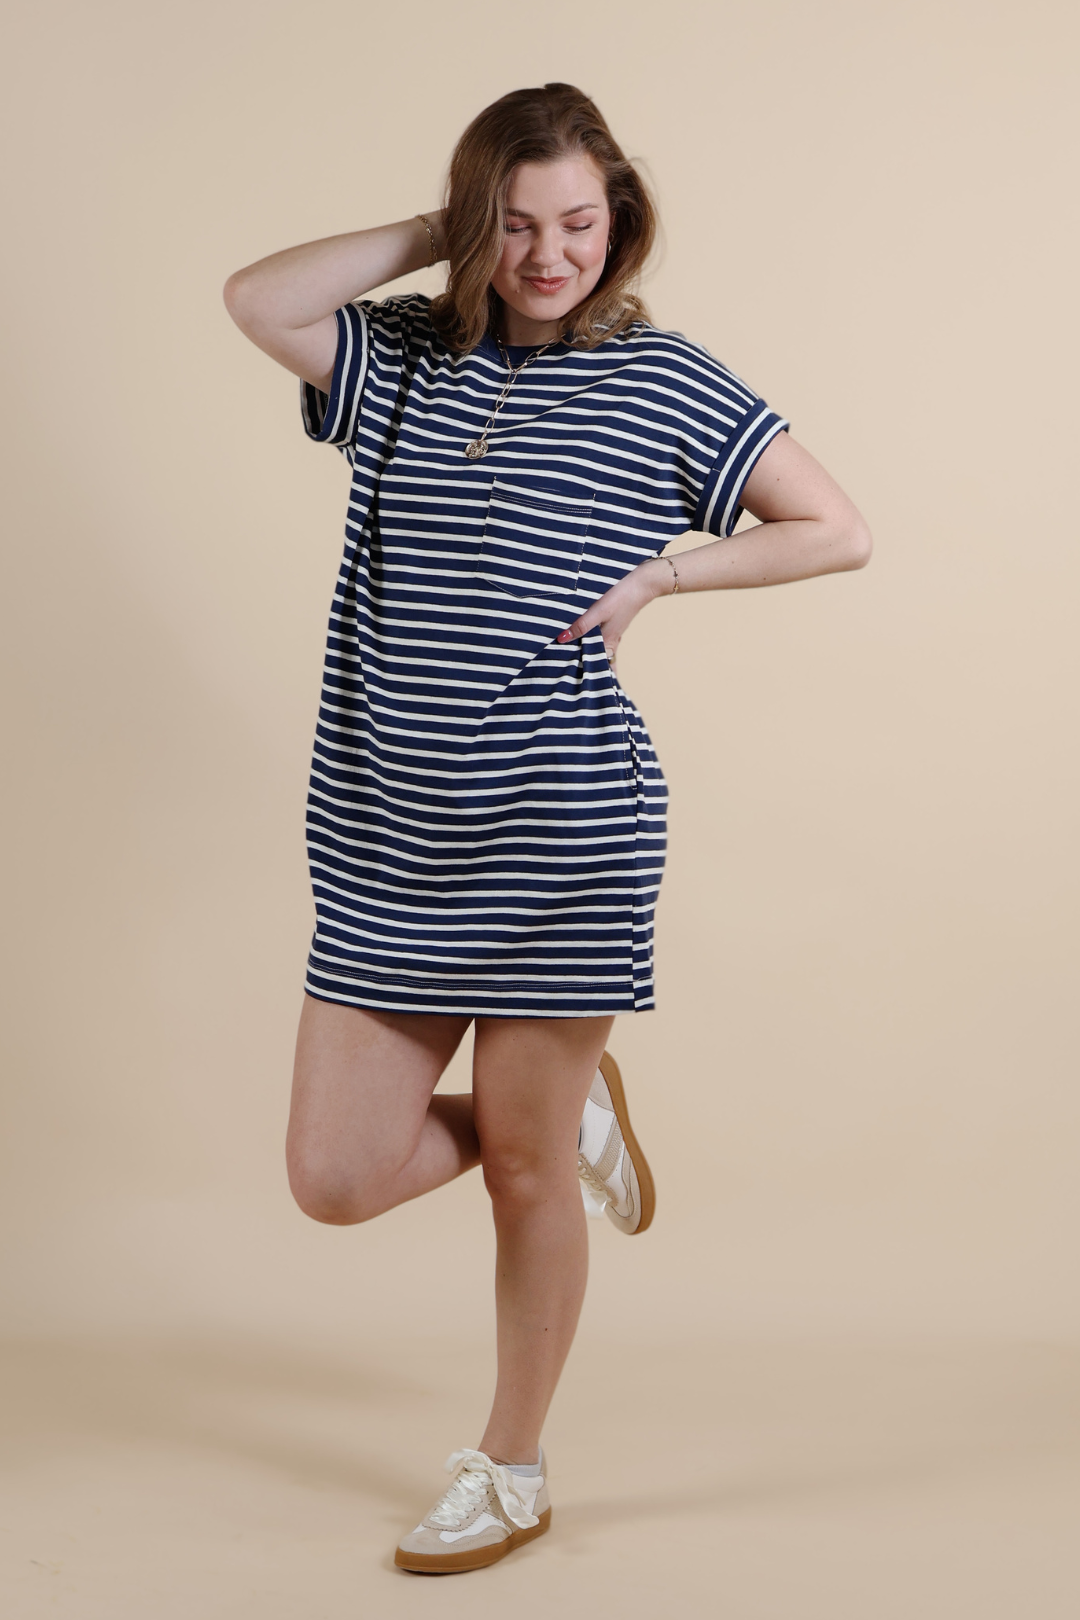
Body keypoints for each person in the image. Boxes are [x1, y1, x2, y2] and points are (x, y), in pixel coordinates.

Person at [223, 81, 871, 1574]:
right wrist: (438, 231)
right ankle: (572, 1107)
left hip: (563, 829)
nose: (548, 254)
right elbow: (258, 299)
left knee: (522, 1179)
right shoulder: (401, 358)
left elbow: (836, 527)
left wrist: (668, 575)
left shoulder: (663, 379)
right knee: (334, 1177)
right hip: (386, 835)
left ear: (617, 219)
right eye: (513, 225)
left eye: (577, 222)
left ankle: (511, 1469)